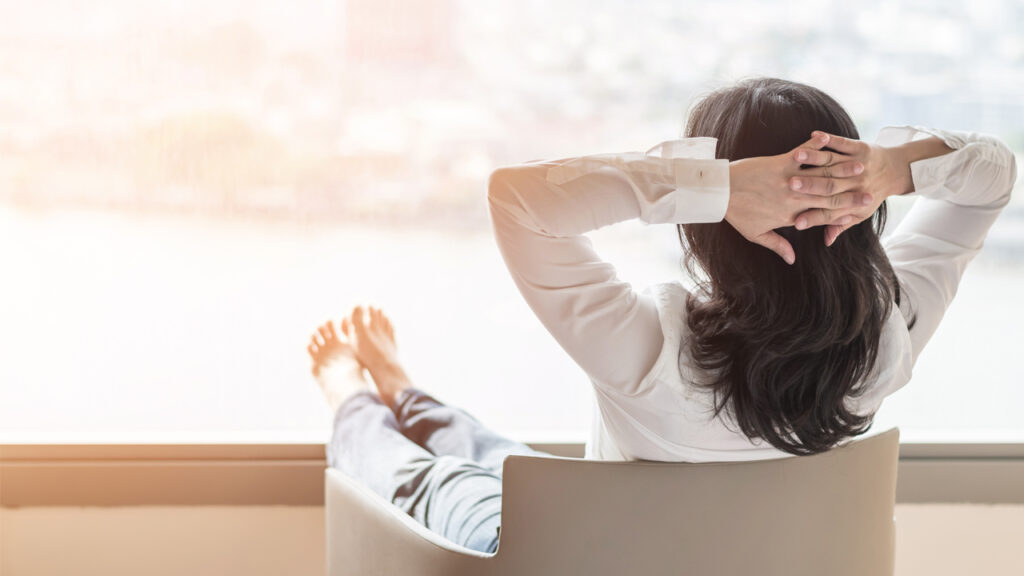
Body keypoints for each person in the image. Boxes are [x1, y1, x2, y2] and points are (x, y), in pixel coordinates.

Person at [308, 77, 1017, 554]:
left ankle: (354, 394)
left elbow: (518, 199)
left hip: (565, 558)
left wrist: (713, 187)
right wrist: (896, 168)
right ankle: (407, 391)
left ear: (710, 222)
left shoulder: (650, 352)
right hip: (654, 543)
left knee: (431, 479)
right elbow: (994, 177)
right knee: (504, 458)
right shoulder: (890, 339)